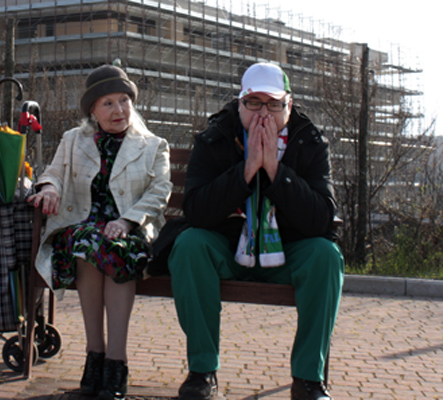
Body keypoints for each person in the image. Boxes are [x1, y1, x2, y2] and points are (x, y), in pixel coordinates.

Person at [168, 62, 344, 400]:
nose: (264, 113)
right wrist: (246, 171)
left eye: (274, 104)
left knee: (326, 256)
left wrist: (276, 171)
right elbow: (196, 211)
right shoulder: (215, 138)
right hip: (228, 250)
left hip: (290, 253)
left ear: (288, 107)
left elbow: (321, 219)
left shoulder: (310, 142)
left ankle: (309, 378)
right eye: (254, 103)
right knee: (190, 245)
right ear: (239, 104)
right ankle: (202, 371)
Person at [28, 64, 172, 400]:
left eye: (124, 100)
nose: (118, 110)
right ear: (92, 109)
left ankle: (112, 366)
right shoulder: (73, 140)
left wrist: (128, 221)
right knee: (89, 243)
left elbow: (160, 191)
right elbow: (53, 174)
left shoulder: (153, 145)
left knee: (111, 248)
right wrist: (49, 188)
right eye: (107, 103)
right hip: (81, 229)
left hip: (131, 232)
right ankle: (98, 359)